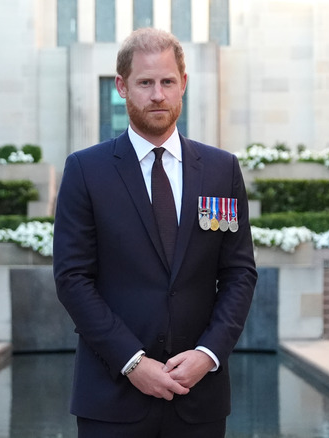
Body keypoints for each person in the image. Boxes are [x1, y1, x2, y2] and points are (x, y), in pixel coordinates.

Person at [53, 27, 257, 437]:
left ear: (183, 84)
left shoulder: (221, 170)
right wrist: (132, 361)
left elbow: (239, 274)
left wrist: (208, 353)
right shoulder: (85, 171)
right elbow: (72, 279)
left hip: (199, 397)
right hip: (111, 397)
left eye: (167, 81)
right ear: (122, 87)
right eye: (145, 83)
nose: (158, 94)